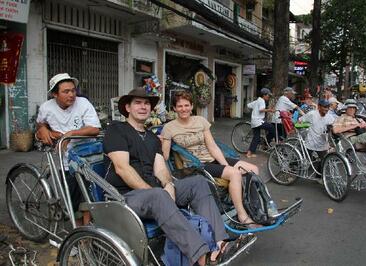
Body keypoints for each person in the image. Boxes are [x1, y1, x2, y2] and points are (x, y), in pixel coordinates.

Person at [103, 88, 234, 265]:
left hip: (155, 193)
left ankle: (219, 244)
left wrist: (168, 185)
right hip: (125, 196)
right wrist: (157, 192)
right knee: (158, 195)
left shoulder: (151, 137)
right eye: (138, 103)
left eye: (147, 103)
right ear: (127, 107)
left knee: (197, 183)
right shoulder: (116, 130)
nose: (143, 107)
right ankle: (200, 256)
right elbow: (122, 168)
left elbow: (160, 168)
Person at [161, 90, 261, 228]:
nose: (183, 109)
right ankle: (243, 216)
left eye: (186, 105)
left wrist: (225, 164)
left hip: (212, 159)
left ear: (191, 106)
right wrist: (157, 143)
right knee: (235, 174)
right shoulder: (169, 128)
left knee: (253, 169)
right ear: (174, 108)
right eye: (179, 106)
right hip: (196, 165)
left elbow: (212, 146)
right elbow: (165, 156)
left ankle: (254, 209)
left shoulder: (201, 121)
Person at [35, 73, 101, 216]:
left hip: (87, 156)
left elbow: (95, 129)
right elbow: (40, 122)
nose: (71, 94)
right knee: (73, 201)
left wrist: (70, 133)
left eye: (73, 90)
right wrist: (43, 129)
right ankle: (79, 230)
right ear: (54, 94)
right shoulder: (46, 108)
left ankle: (86, 232)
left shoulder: (83, 103)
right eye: (66, 91)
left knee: (89, 197)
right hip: (64, 159)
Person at [299, 99, 335, 173]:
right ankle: (292, 172)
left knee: (324, 162)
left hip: (323, 143)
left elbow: (334, 127)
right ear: (319, 107)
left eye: (328, 107)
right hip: (311, 142)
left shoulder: (330, 117)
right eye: (324, 107)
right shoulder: (312, 114)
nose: (326, 109)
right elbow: (301, 120)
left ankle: (319, 177)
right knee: (302, 161)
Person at [246, 88, 275, 158]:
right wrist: (270, 110)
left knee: (256, 137)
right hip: (258, 122)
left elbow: (248, 105)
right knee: (272, 128)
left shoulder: (257, 101)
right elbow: (261, 109)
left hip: (254, 121)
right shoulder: (261, 101)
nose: (268, 97)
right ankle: (265, 144)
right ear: (264, 95)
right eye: (268, 95)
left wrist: (255, 108)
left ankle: (249, 153)